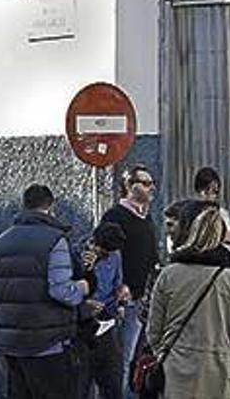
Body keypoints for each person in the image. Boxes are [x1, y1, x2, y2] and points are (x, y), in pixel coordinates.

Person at [0, 185, 96, 399]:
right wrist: (83, 286)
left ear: (24, 206)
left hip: (11, 346)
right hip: (49, 344)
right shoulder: (55, 240)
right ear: (51, 207)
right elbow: (62, 291)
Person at [146, 208, 230, 399]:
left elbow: (154, 330)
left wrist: (165, 357)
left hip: (176, 375)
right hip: (221, 374)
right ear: (221, 237)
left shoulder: (169, 274)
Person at [101, 164, 161, 399]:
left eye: (151, 182)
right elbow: (104, 257)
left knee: (140, 359)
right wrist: (120, 288)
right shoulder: (115, 217)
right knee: (123, 361)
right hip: (126, 303)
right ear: (129, 186)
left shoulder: (145, 218)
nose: (151, 187)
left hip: (146, 301)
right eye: (145, 183)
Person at [83, 221, 131, 399]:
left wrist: (121, 300)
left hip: (107, 322)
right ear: (94, 242)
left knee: (112, 380)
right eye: (103, 251)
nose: (106, 255)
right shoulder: (77, 254)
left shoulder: (115, 255)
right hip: (84, 326)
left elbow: (118, 283)